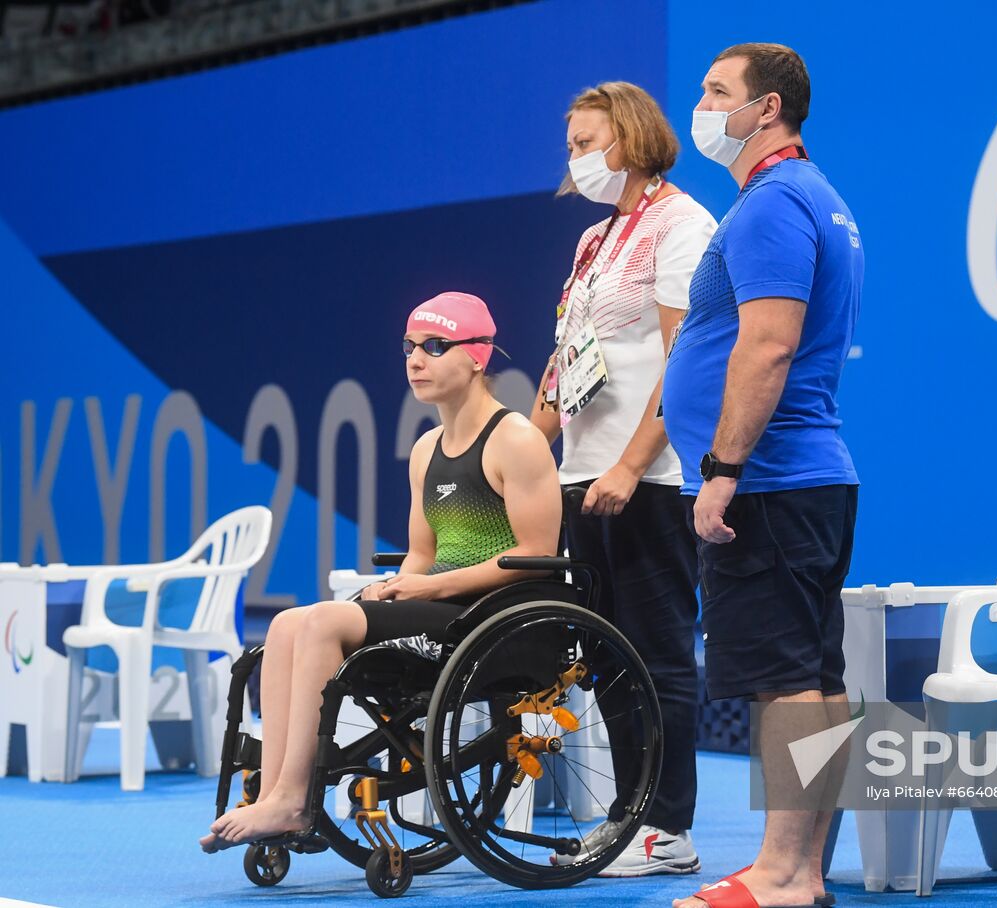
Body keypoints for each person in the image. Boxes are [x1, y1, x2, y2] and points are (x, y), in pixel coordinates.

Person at [201, 291, 561, 852]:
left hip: (501, 622)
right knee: (286, 626)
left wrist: (430, 584)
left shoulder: (517, 439)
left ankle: (296, 800)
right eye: (410, 347)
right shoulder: (426, 450)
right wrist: (390, 590)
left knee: (322, 624)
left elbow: (536, 554)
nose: (416, 359)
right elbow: (421, 553)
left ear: (478, 356)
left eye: (435, 346)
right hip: (443, 609)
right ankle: (274, 792)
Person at [662, 44, 863, 908]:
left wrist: (722, 469)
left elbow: (769, 342)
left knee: (786, 678)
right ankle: (802, 869)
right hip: (803, 479)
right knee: (813, 677)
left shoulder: (774, 202)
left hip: (770, 481)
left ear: (768, 108)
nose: (702, 105)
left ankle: (780, 871)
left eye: (718, 92)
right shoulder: (814, 197)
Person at [530, 80, 717, 877]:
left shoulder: (683, 224)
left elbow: (690, 364)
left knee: (659, 655)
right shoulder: (592, 242)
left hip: (652, 479)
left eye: (585, 143)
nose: (574, 158)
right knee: (605, 656)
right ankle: (628, 813)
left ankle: (669, 827)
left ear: (631, 141)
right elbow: (565, 364)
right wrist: (526, 450)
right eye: (570, 144)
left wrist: (633, 463)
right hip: (581, 476)